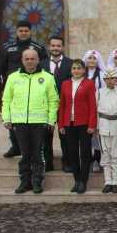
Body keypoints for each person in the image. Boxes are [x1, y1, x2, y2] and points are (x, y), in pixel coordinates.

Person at [1, 49, 58, 194]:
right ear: (22, 60)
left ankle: (37, 182)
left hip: (39, 122)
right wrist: (7, 118)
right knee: (25, 154)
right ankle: (25, 182)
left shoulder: (47, 77)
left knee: (38, 154)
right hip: (19, 122)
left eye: (33, 58)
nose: (30, 61)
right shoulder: (13, 77)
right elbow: (6, 99)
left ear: (38, 60)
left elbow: (53, 100)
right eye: (27, 59)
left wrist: (51, 120)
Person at [0, 20, 47, 158]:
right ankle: (15, 146)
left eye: (26, 30)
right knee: (13, 116)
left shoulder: (38, 47)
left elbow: (44, 68)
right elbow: (1, 69)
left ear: (30, 31)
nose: (23, 33)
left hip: (33, 86)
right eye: (21, 30)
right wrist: (2, 88)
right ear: (17, 32)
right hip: (13, 87)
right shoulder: (8, 47)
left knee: (29, 118)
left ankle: (32, 146)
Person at [57, 59, 98, 194]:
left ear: (84, 70)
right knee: (72, 153)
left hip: (84, 124)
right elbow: (62, 105)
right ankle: (76, 180)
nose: (76, 71)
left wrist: (92, 124)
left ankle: (83, 180)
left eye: (79, 68)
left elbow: (93, 105)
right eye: (74, 68)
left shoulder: (89, 84)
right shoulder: (65, 84)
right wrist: (61, 124)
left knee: (85, 153)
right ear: (71, 70)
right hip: (69, 124)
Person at [40, 36, 72, 172]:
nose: (55, 48)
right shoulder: (42, 64)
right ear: (49, 47)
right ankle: (48, 163)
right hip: (46, 106)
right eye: (53, 46)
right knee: (46, 135)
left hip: (65, 106)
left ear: (63, 47)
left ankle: (67, 163)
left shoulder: (71, 64)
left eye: (58, 46)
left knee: (65, 136)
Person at [97, 69, 117, 194]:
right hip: (103, 125)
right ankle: (107, 181)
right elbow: (96, 110)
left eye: (113, 78)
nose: (110, 81)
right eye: (107, 79)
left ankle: (116, 182)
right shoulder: (99, 92)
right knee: (105, 154)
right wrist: (97, 126)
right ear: (104, 80)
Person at [83, 50, 105, 173]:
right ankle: (87, 159)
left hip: (97, 108)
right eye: (89, 58)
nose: (91, 60)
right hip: (83, 109)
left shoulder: (102, 74)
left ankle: (96, 159)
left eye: (94, 58)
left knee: (96, 135)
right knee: (85, 135)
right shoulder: (80, 73)